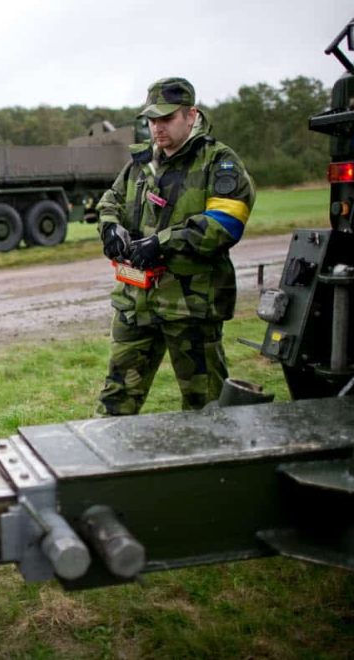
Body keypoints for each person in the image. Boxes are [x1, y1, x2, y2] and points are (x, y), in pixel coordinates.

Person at [96, 77, 255, 415]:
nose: (157, 128)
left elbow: (225, 224)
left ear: (190, 115)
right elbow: (111, 200)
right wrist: (110, 228)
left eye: (166, 119)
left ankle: (213, 466)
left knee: (205, 405)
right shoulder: (141, 164)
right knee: (116, 400)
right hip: (136, 301)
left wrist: (162, 243)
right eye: (152, 120)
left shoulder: (218, 162)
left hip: (190, 305)